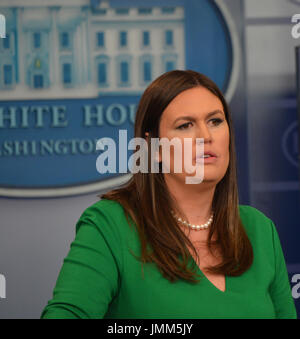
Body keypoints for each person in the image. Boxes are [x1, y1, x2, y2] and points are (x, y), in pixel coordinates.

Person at [41, 70, 297, 319]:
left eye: (215, 121)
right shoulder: (111, 225)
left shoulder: (260, 229)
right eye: (185, 125)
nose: (205, 136)